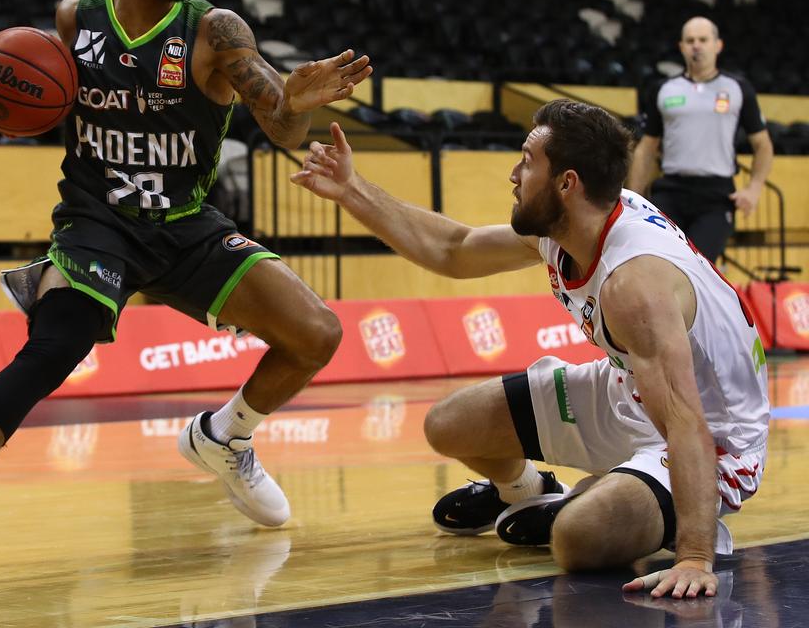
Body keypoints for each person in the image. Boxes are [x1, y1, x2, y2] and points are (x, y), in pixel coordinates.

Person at [0, 0, 371, 572]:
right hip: (97, 218)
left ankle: (225, 437)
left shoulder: (214, 30)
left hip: (186, 222)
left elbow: (281, 127)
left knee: (317, 333)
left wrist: (297, 105)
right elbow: (36, 101)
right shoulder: (76, 17)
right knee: (55, 344)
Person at [292, 100, 768, 599]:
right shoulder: (574, 222)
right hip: (630, 391)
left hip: (714, 437)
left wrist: (695, 557)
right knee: (450, 423)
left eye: (526, 160)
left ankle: (657, 513)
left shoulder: (634, 284)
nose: (513, 174)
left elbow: (686, 420)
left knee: (579, 537)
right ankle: (530, 493)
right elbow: (454, 249)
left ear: (567, 183)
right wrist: (352, 190)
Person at [627, 16, 774, 264]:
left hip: (715, 196)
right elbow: (646, 148)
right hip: (671, 190)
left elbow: (763, 145)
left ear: (718, 45)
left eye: (703, 40)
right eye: (690, 40)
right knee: (659, 263)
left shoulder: (738, 89)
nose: (697, 45)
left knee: (699, 266)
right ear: (682, 47)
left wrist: (754, 188)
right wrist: (633, 197)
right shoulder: (663, 90)